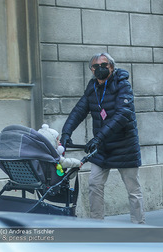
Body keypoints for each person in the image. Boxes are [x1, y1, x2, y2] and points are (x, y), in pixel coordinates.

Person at [60, 53, 145, 224]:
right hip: (103, 147)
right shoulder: (92, 87)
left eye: (104, 65)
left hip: (124, 146)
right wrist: (66, 133)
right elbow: (79, 111)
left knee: (133, 189)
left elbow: (123, 115)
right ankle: (96, 224)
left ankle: (139, 225)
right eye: (95, 66)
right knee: (94, 184)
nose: (100, 68)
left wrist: (98, 137)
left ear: (111, 67)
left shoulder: (122, 85)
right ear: (91, 70)